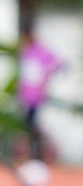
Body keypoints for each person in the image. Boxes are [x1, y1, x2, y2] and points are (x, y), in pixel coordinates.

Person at [16, 27, 62, 165]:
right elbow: (24, 75)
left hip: (37, 97)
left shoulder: (41, 51)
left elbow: (58, 64)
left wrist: (45, 79)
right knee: (28, 126)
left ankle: (38, 157)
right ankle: (33, 157)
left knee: (33, 126)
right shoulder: (24, 52)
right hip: (26, 96)